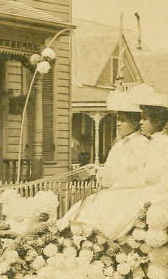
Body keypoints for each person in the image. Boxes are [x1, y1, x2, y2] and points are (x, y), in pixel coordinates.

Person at [63, 85, 168, 241]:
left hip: (158, 194)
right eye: (140, 117)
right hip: (142, 191)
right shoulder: (150, 142)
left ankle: (98, 239)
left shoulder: (167, 144)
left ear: (157, 120)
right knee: (95, 203)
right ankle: (79, 233)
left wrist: (147, 192)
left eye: (144, 118)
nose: (140, 122)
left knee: (118, 205)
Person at [61, 90, 149, 238]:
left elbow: (139, 176)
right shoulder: (119, 145)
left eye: (123, 120)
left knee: (103, 216)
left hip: (129, 193)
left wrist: (109, 177)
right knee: (80, 209)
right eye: (118, 120)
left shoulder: (142, 144)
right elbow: (109, 169)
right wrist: (98, 172)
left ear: (134, 122)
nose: (118, 123)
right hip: (113, 191)